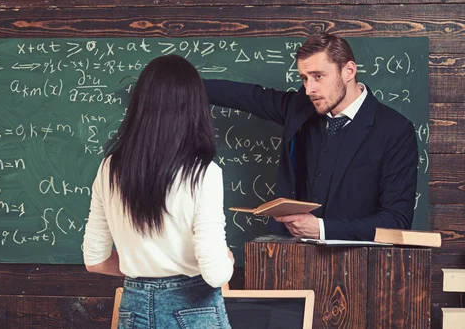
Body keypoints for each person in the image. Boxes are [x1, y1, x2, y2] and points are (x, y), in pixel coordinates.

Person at [204, 32, 418, 241]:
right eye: (304, 79)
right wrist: (185, 86)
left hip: (361, 263)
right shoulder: (301, 108)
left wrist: (322, 229)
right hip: (293, 255)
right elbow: (251, 97)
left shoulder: (395, 130)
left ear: (349, 71)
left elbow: (396, 220)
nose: (309, 89)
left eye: (318, 76)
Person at [83, 54, 234, 328]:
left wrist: (145, 268)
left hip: (133, 308)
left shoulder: (109, 169)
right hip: (193, 310)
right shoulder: (203, 173)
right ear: (194, 107)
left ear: (140, 104)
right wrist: (227, 261)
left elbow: (95, 260)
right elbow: (215, 274)